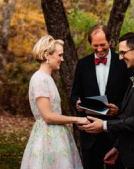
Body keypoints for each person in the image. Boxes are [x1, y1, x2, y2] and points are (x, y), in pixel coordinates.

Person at [79, 32, 134, 169]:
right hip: (130, 152)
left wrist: (104, 125)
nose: (120, 57)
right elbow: (129, 113)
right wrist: (117, 148)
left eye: (123, 53)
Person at [21, 35, 89, 169]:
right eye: (60, 55)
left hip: (56, 135)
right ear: (47, 55)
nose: (62, 59)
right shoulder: (40, 79)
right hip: (47, 137)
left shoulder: (47, 78)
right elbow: (48, 116)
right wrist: (77, 119)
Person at [70, 25, 131, 169]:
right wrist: (77, 102)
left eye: (102, 45)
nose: (99, 49)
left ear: (110, 41)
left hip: (116, 132)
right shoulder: (82, 64)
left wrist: (119, 108)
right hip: (90, 132)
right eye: (95, 45)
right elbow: (74, 93)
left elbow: (131, 95)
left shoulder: (123, 63)